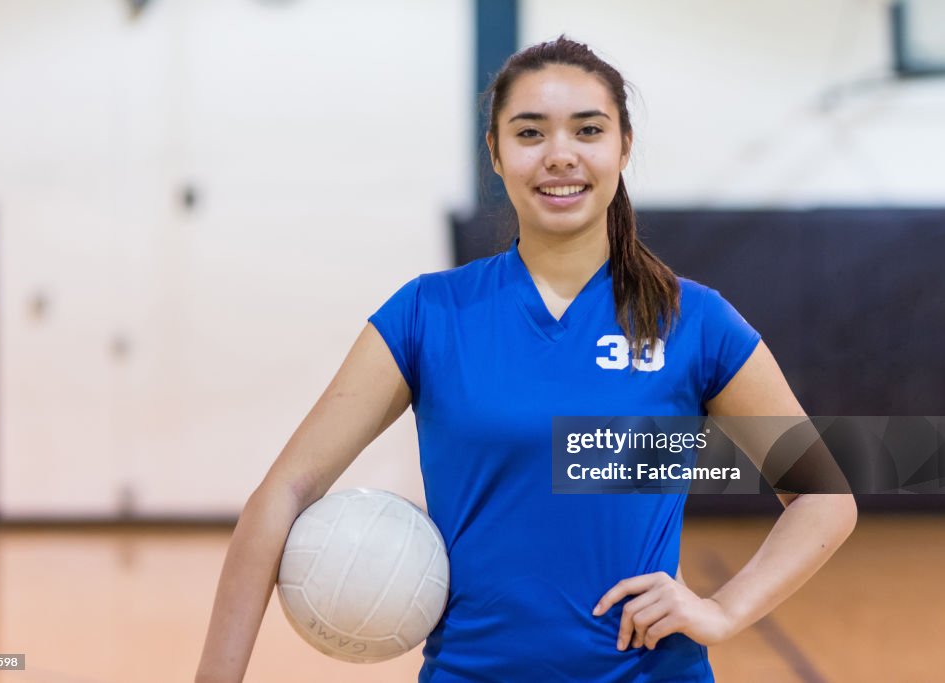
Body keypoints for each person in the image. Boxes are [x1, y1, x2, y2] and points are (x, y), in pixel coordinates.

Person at [195, 36, 857, 682]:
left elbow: (823, 495)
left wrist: (723, 609)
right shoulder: (428, 314)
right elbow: (283, 492)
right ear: (495, 151)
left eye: (588, 130)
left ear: (624, 146)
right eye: (531, 133)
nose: (560, 155)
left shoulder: (694, 320)